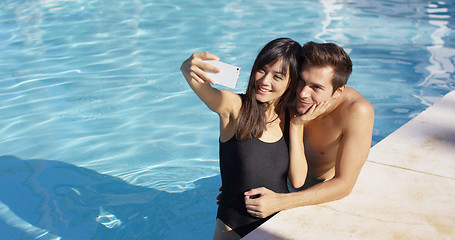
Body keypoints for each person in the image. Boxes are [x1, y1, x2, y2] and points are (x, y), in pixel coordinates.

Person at [180, 38, 311, 239]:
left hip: (279, 225)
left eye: (277, 76)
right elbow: (211, 96)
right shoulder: (235, 107)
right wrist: (188, 69)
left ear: (291, 82)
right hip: (233, 229)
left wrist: (297, 126)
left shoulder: (291, 117)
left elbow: (298, 180)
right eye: (262, 70)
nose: (265, 81)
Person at [242, 41, 375, 219]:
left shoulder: (355, 111)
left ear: (338, 91)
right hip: (280, 177)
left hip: (319, 187)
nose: (303, 93)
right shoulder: (288, 94)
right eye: (301, 81)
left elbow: (344, 184)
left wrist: (281, 201)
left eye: (316, 87)